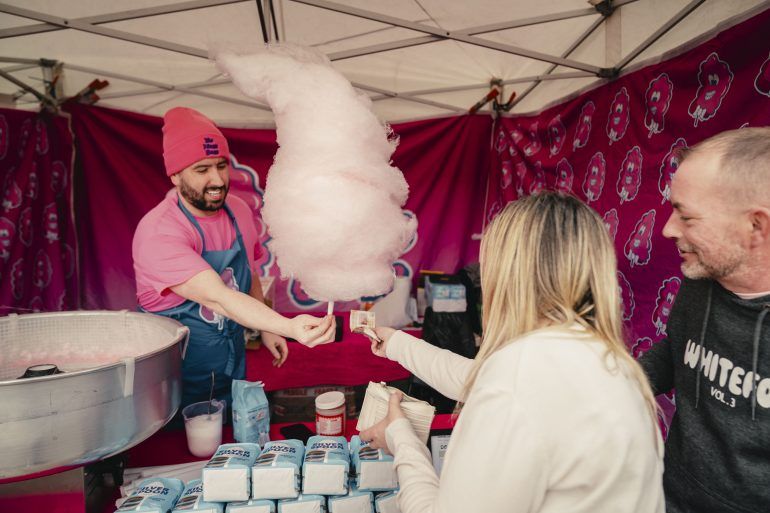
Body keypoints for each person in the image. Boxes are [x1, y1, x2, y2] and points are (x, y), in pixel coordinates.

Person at [360, 192, 664, 513]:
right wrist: (396, 343)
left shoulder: (518, 375)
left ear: (508, 275)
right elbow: (474, 379)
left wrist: (401, 438)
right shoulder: (605, 360)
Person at [132, 107, 335, 409]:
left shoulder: (238, 210)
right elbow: (219, 297)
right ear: (175, 175)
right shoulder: (159, 233)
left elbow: (248, 274)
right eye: (202, 170)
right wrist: (288, 327)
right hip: (175, 376)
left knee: (230, 430)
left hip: (229, 362)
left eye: (221, 165)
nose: (217, 180)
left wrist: (267, 327)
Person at [638, 127, 770, 513]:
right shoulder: (701, 277)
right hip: (669, 495)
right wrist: (616, 384)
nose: (668, 228)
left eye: (687, 216)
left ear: (756, 226)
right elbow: (679, 350)